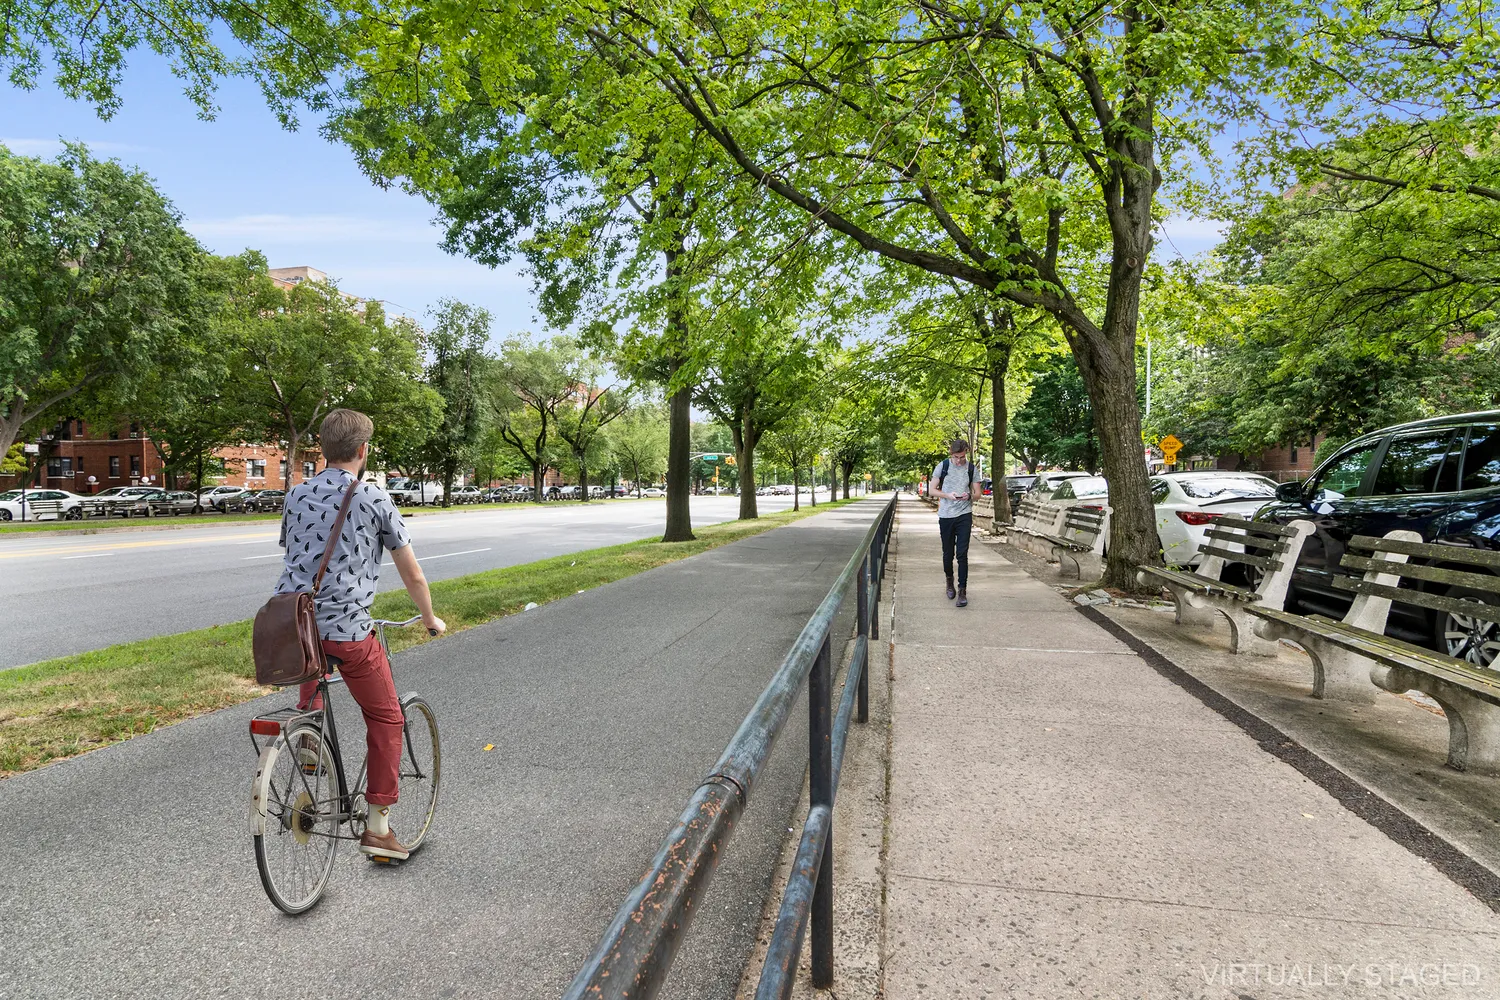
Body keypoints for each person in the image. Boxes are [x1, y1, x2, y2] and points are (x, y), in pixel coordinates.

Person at [274, 408, 446, 861]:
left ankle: (308, 733)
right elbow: (412, 575)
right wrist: (430, 618)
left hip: (294, 626)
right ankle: (378, 829)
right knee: (388, 717)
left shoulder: (294, 495)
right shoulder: (373, 498)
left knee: (314, 654)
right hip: (348, 630)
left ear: (324, 450)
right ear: (363, 451)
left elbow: (297, 557)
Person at [931, 439, 980, 608]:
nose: (959, 460)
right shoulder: (942, 466)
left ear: (966, 451)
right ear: (950, 453)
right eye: (956, 457)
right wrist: (947, 495)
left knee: (962, 554)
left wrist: (969, 496)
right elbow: (931, 490)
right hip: (946, 515)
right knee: (947, 553)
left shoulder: (972, 468)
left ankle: (962, 590)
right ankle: (949, 582)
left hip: (964, 514)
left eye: (962, 456)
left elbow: (978, 493)